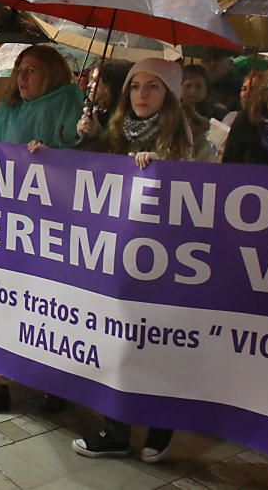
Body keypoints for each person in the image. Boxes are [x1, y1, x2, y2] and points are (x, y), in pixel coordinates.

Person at [71, 58, 197, 462]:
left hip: (168, 259)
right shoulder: (113, 130)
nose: (142, 95)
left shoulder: (189, 139)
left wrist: (163, 170)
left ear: (170, 94)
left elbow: (202, 195)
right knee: (117, 339)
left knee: (158, 342)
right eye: (136, 86)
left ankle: (161, 425)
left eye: (153, 87)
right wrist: (87, 140)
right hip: (119, 254)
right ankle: (117, 429)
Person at [0, 45, 83, 412]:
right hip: (9, 221)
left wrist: (58, 152)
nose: (23, 77)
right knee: (3, 298)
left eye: (33, 70)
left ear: (52, 74)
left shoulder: (69, 101)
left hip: (53, 222)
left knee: (47, 304)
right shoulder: (9, 106)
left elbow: (83, 154)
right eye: (20, 70)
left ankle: (56, 384)